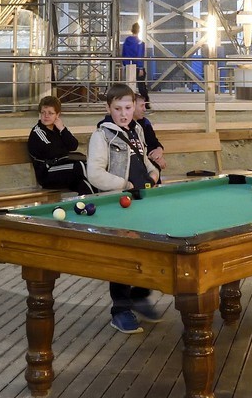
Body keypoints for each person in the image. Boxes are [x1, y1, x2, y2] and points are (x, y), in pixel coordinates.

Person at [86, 84, 164, 333]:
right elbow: (95, 173)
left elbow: (143, 160)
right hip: (117, 204)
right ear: (108, 108)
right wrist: (124, 184)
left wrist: (154, 172)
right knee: (122, 259)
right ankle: (120, 311)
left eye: (128, 108)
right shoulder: (101, 136)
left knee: (150, 250)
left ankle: (140, 296)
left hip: (142, 200)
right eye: (117, 108)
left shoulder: (137, 130)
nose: (123, 113)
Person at [27, 95, 91, 194]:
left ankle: (90, 205)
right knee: (79, 166)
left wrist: (62, 129)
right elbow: (52, 152)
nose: (46, 116)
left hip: (62, 168)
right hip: (47, 173)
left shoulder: (60, 129)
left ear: (57, 115)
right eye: (43, 112)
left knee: (83, 183)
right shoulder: (38, 132)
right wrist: (64, 147)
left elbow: (73, 145)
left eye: (50, 113)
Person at [133, 86, 165, 179]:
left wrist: (159, 151)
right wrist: (153, 158)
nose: (145, 109)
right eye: (141, 106)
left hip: (148, 161)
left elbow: (153, 142)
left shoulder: (145, 122)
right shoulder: (125, 126)